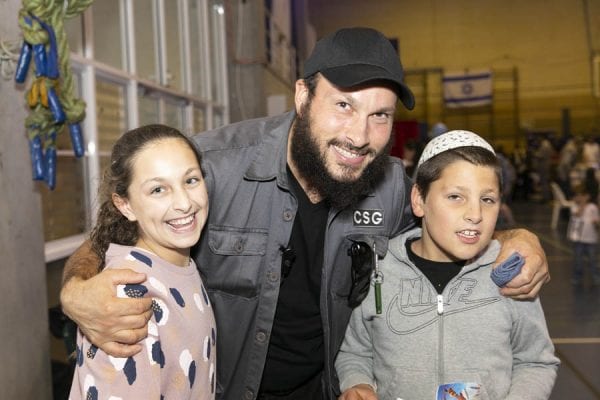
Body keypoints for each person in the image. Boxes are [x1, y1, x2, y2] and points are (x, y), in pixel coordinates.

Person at [60, 27, 550, 400]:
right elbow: (106, 240)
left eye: (379, 115)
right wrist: (76, 291)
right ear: (302, 96)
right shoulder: (214, 167)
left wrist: (516, 237)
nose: (359, 135)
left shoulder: (389, 187)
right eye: (343, 106)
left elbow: (450, 219)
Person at [336, 130, 559, 400]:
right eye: (455, 197)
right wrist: (358, 384)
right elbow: (355, 352)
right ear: (419, 200)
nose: (475, 214)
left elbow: (535, 361)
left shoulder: (511, 275)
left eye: (487, 200)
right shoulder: (379, 269)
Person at [68, 125, 216, 399]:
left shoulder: (180, 266)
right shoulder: (129, 294)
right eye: (158, 189)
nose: (184, 203)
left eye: (191, 180)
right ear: (125, 205)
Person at [567, 184, 600, 286]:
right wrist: (582, 204)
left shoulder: (592, 207)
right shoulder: (574, 206)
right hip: (579, 240)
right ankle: (577, 276)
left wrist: (596, 223)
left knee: (593, 260)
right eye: (576, 196)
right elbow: (578, 214)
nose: (578, 198)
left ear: (587, 196)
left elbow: (597, 221)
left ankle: (596, 276)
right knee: (578, 261)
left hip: (591, 240)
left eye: (580, 195)